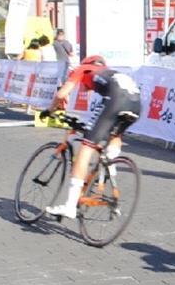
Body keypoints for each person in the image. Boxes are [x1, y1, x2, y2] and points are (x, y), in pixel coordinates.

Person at [44, 55, 142, 218]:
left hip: (116, 100)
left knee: (86, 148)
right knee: (114, 138)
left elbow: (62, 95)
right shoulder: (111, 73)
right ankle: (107, 171)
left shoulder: (83, 69)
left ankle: (69, 206)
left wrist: (50, 110)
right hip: (136, 104)